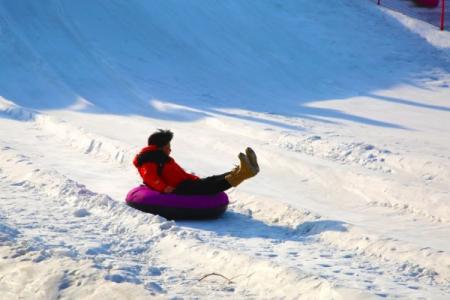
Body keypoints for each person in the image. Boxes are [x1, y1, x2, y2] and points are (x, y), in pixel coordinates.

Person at [133, 129, 259, 195]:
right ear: (159, 147)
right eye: (167, 146)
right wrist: (164, 187)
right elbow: (150, 176)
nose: (170, 149)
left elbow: (179, 174)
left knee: (211, 179)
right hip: (177, 189)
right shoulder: (149, 158)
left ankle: (242, 171)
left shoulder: (161, 157)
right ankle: (243, 173)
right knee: (210, 186)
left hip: (184, 183)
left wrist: (193, 178)